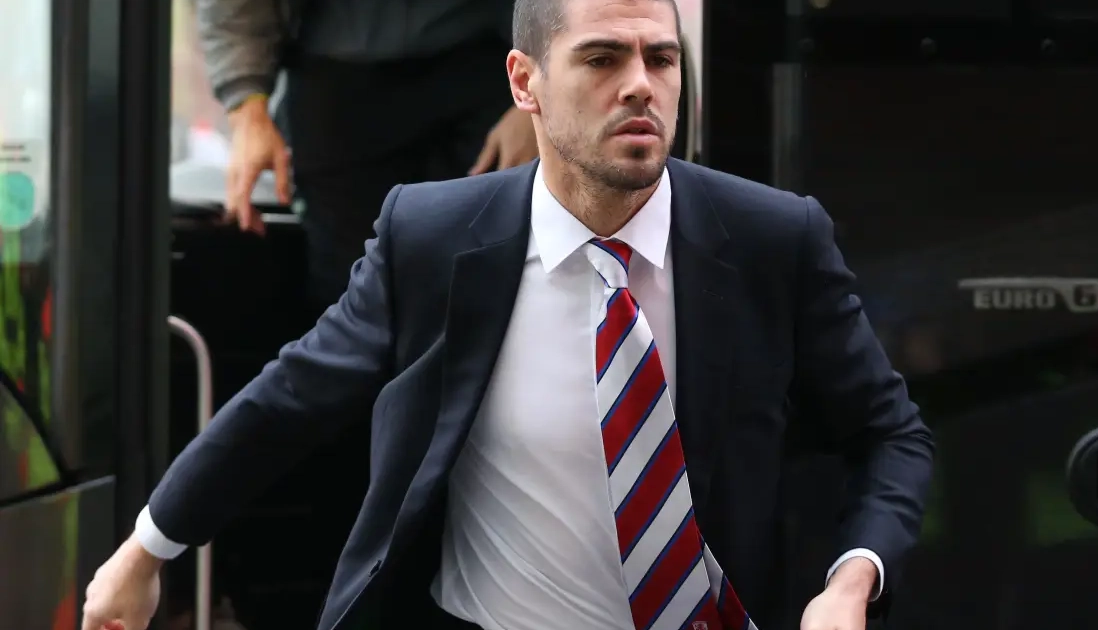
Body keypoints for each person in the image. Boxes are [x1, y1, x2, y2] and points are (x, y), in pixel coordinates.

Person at [83, 0, 935, 629]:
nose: (640, 86)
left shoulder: (772, 239)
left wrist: (851, 581)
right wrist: (147, 548)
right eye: (602, 59)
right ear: (525, 83)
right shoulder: (432, 238)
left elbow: (890, 434)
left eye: (661, 59)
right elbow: (288, 401)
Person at [201, 0, 539, 309]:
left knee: (491, 281)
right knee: (350, 292)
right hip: (339, 73)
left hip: (489, 61)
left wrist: (537, 97)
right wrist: (248, 111)